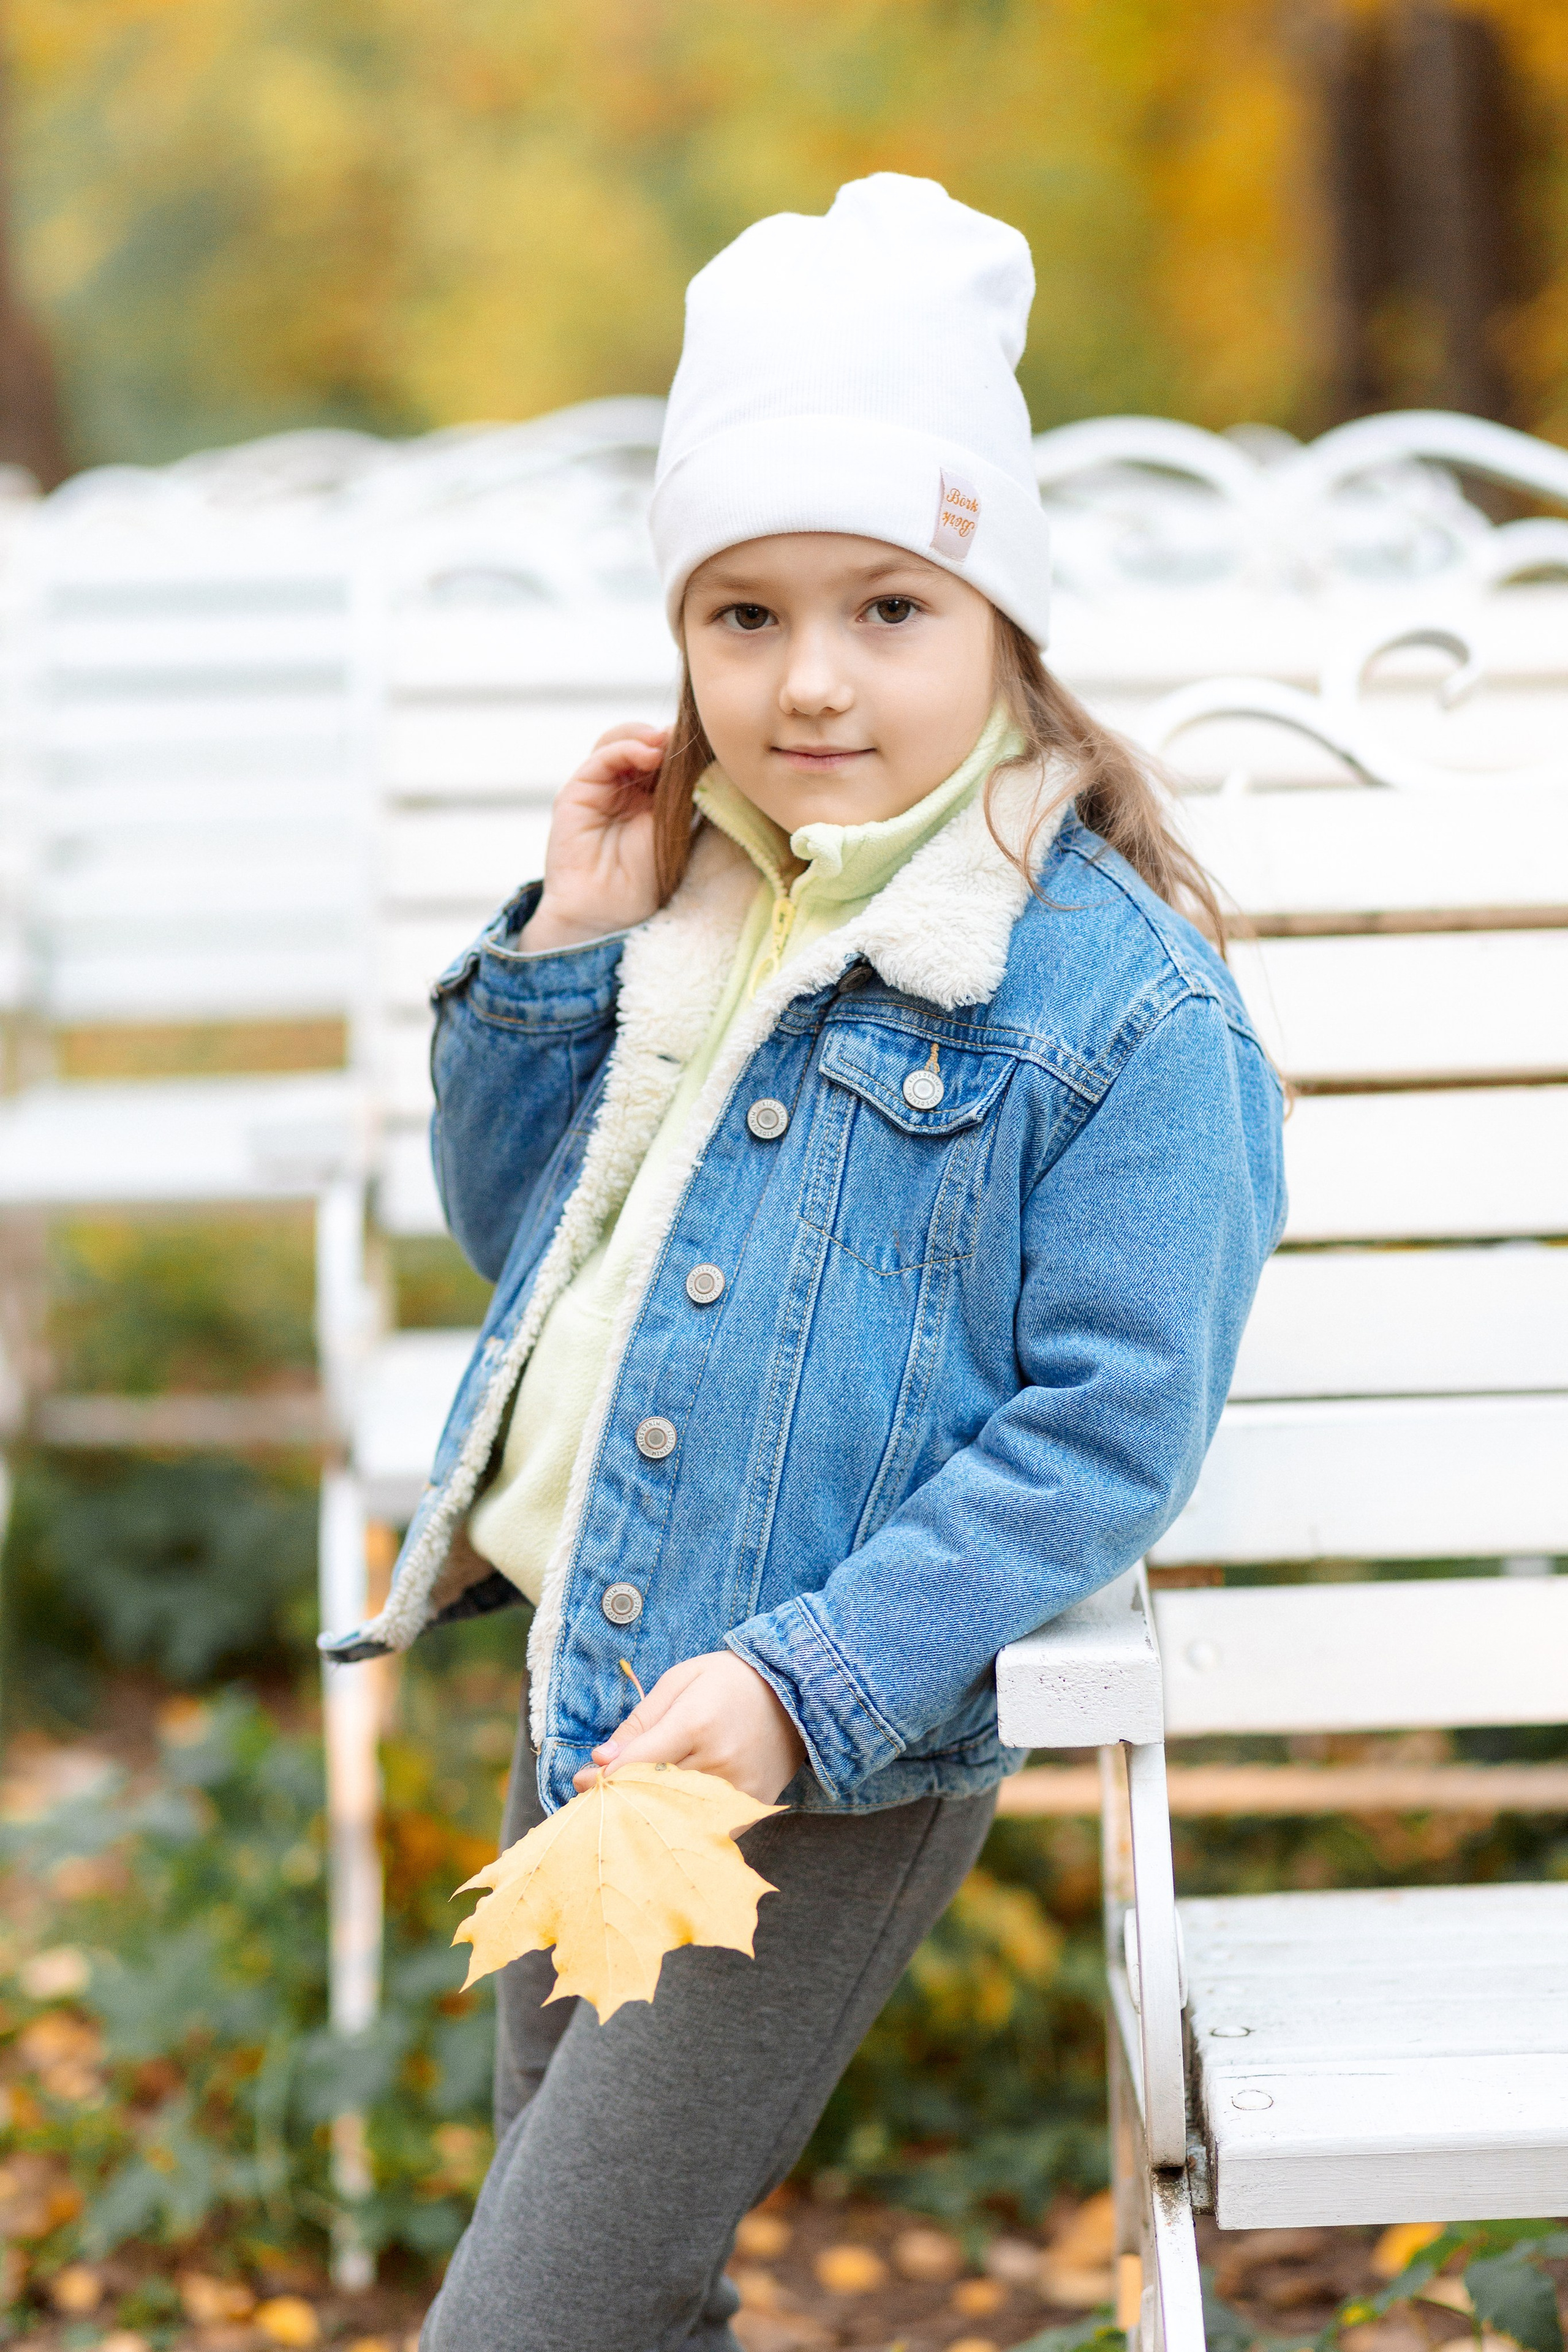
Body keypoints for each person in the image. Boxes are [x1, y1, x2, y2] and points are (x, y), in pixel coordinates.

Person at [324, 173, 1285, 2352]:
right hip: (600, 1682)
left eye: (887, 609)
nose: (811, 681)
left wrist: (797, 1688)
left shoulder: (1114, 1007)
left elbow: (1110, 1431)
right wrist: (566, 947)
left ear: (1002, 625)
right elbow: (532, 1251)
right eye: (741, 616)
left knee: (531, 2322)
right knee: (609, 2302)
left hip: (806, 1745)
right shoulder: (705, 899)